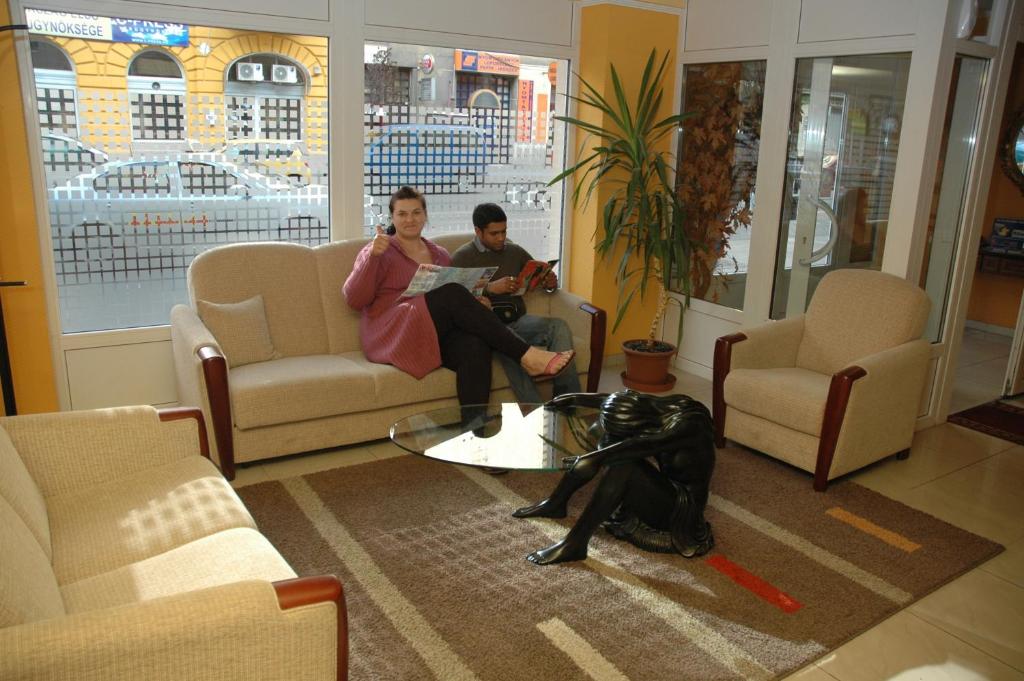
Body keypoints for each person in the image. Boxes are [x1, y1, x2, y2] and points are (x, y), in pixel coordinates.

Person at [342, 187, 575, 426]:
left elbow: (458, 300)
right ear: (392, 217)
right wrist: (372, 257)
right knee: (452, 293)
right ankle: (527, 355)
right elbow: (354, 300)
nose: (410, 219)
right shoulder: (379, 250)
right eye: (402, 214)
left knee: (475, 345)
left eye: (416, 212)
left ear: (425, 216)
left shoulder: (440, 254)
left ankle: (475, 435)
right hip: (392, 331)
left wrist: (476, 303)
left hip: (429, 332)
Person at [513, 390, 715, 566]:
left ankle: (575, 543)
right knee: (607, 440)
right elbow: (618, 400)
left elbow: (647, 445)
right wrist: (575, 398)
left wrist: (595, 458)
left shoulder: (689, 427)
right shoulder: (657, 407)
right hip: (666, 486)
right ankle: (555, 504)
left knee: (623, 466)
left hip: (682, 508)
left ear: (640, 425)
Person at [450, 203, 581, 403]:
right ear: (478, 231)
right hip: (489, 328)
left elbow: (536, 274)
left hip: (519, 320)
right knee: (512, 347)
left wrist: (549, 283)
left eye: (504, 231)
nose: (501, 238)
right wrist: (491, 288)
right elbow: (452, 297)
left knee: (559, 326)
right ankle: (535, 411)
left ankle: (567, 401)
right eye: (494, 233)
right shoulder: (462, 257)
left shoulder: (514, 252)